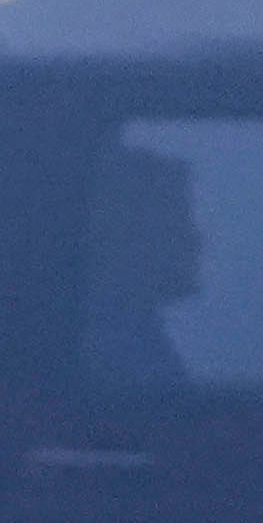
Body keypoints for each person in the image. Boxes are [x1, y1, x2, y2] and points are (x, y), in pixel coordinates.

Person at [76, 135, 204, 390]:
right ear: (125, 232)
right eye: (176, 220)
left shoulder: (138, 340)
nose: (195, 237)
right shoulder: (116, 357)